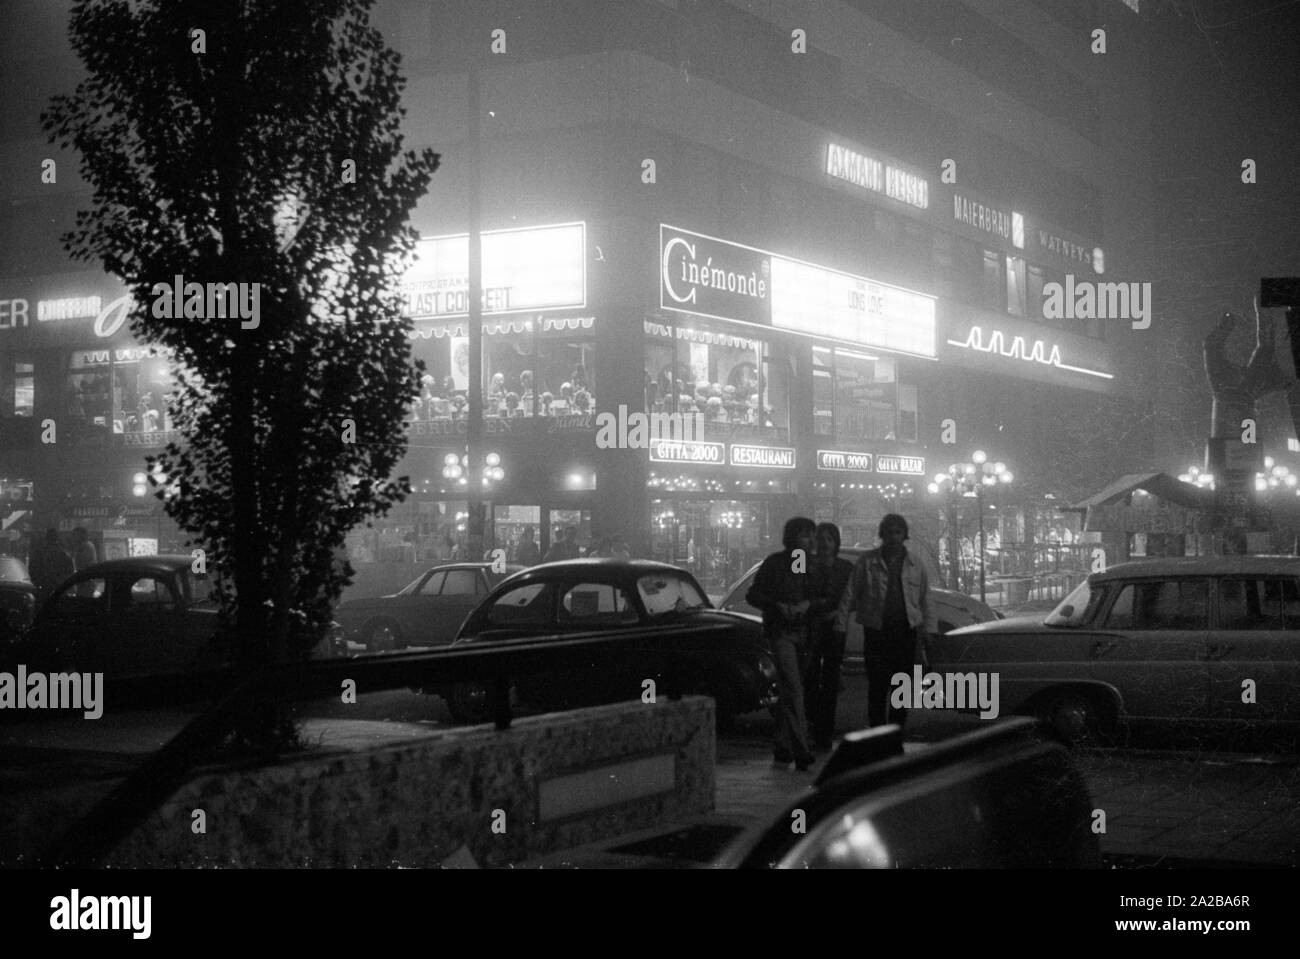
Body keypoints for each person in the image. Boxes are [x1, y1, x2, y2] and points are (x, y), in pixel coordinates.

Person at [842, 514, 935, 730]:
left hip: (905, 632)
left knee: (901, 686)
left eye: (898, 532)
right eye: (889, 532)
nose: (893, 537)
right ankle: (877, 734)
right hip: (876, 631)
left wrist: (930, 631)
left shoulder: (915, 564)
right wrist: (840, 624)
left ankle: (895, 733)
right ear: (882, 534)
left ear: (904, 535)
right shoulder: (867, 562)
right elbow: (850, 593)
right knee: (877, 685)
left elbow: (925, 599)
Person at [746, 516, 817, 771]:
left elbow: (821, 596)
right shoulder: (775, 563)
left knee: (790, 690)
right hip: (782, 632)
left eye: (812, 535)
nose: (810, 540)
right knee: (794, 687)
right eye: (805, 535)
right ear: (792, 537)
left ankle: (782, 744)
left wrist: (807, 604)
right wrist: (777, 606)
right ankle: (801, 748)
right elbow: (753, 594)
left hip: (805, 631)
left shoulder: (811, 564)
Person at [805, 522, 855, 750]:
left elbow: (854, 597)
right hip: (809, 625)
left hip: (835, 627)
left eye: (829, 539)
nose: (825, 543)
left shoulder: (845, 567)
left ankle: (824, 731)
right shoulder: (803, 562)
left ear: (836, 542)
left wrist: (836, 612)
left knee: (831, 679)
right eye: (821, 538)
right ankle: (811, 722)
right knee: (809, 676)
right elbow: (793, 586)